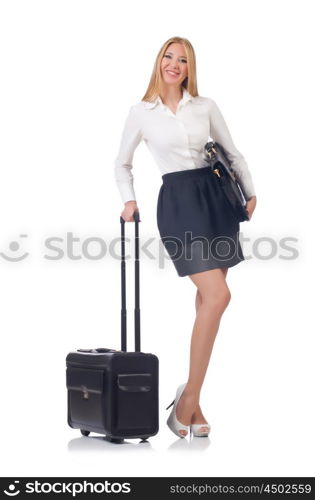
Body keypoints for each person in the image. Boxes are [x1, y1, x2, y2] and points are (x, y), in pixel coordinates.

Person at [114, 36, 257, 439]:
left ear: (190, 68)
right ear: (158, 62)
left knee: (207, 302)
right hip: (178, 203)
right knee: (218, 296)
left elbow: (232, 153)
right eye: (168, 57)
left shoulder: (205, 106)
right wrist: (129, 201)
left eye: (182, 59)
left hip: (218, 201)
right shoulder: (141, 112)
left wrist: (250, 190)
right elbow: (121, 163)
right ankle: (188, 401)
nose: (174, 64)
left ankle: (191, 400)